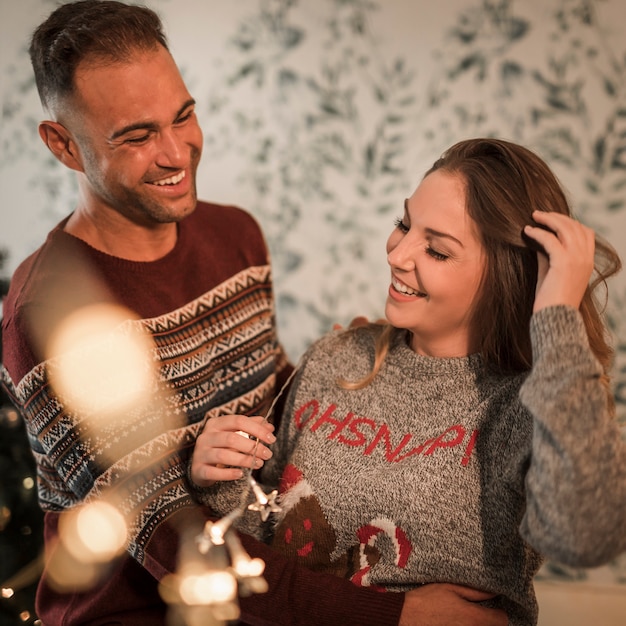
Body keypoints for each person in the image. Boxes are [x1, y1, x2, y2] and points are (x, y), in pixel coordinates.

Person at [0, 2, 508, 625]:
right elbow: (173, 536)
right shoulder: (48, 311)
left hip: (266, 594)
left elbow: (276, 411)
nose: (176, 153)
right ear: (64, 146)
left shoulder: (234, 235)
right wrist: (396, 616)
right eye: (136, 136)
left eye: (183, 115)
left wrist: (342, 378)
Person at [191, 138, 626, 626]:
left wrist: (557, 317)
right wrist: (221, 485)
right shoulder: (337, 359)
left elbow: (586, 536)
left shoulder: (533, 403)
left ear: (505, 276)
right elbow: (266, 544)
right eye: (404, 224)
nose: (397, 254)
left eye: (437, 250)